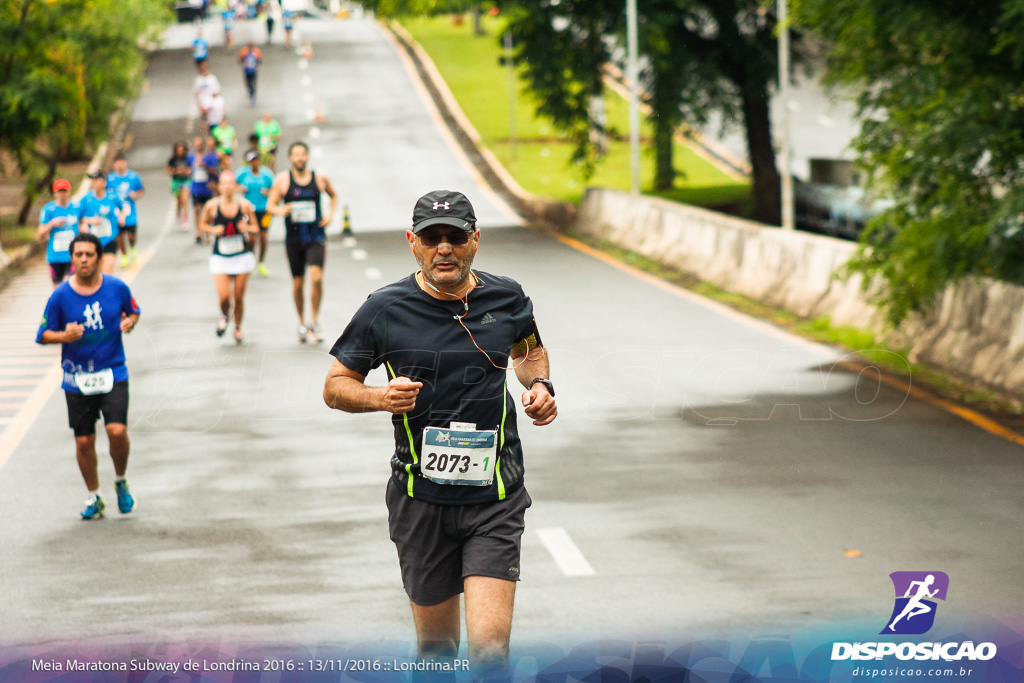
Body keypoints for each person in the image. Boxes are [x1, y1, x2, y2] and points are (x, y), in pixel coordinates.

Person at [322, 190, 557, 678]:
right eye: (432, 238)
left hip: (495, 497)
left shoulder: (507, 297)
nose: (443, 248)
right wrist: (379, 397)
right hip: (420, 499)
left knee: (490, 652)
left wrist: (539, 385)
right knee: (437, 653)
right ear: (413, 243)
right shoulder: (384, 309)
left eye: (455, 237)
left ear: (476, 241)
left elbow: (528, 351)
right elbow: (335, 387)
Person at [36, 232, 141, 520]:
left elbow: (133, 311)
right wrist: (64, 335)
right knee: (84, 442)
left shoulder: (116, 287)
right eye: (78, 254)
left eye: (89, 254)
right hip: (76, 377)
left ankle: (120, 480)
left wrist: (129, 322)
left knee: (116, 431)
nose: (83, 259)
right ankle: (94, 496)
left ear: (98, 257)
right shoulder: (60, 296)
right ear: (71, 259)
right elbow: (42, 334)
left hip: (113, 371)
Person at [266, 141, 337, 343]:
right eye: (296, 155)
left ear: (307, 157)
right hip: (294, 238)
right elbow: (270, 205)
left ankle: (314, 321)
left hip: (316, 236)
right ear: (290, 158)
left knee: (316, 277)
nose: (300, 158)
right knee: (298, 283)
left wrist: (331, 215)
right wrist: (282, 210)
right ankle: (302, 322)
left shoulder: (320, 178)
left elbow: (334, 196)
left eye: (303, 154)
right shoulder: (282, 180)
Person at [199, 171, 259, 344]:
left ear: (235, 186)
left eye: (230, 183)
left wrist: (246, 227)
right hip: (221, 257)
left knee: (239, 296)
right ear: (219, 186)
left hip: (242, 256)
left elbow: (256, 228)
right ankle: (225, 316)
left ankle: (238, 328)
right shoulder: (212, 206)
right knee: (224, 297)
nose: (227, 187)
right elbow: (202, 224)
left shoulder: (245, 205)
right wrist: (212, 230)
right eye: (224, 183)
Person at [235, 149, 275, 276]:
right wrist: (239, 188)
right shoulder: (242, 173)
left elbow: (276, 190)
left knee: (263, 237)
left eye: (256, 160)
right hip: (248, 210)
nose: (254, 163)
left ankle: (261, 262)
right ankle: (251, 260)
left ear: (259, 161)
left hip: (265, 210)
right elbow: (233, 184)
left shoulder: (267, 174)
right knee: (251, 238)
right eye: (251, 161)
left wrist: (268, 192)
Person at [37, 178, 81, 288]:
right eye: (60, 191)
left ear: (69, 191)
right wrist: (52, 223)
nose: (62, 194)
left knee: (69, 285)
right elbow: (40, 235)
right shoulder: (48, 209)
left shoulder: (76, 207)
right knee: (57, 290)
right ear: (55, 193)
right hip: (55, 256)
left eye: (65, 190)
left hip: (72, 256)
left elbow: (83, 222)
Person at [78, 170, 125, 274]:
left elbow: (123, 209)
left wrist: (122, 217)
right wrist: (88, 221)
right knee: (96, 274)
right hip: (92, 243)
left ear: (104, 182)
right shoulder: (86, 199)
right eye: (92, 181)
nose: (94, 183)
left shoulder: (112, 197)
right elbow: (77, 218)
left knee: (107, 273)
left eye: (96, 180)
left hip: (110, 239)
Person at [107, 153, 145, 267]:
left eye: (122, 162)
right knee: (119, 236)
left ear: (125, 163)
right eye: (117, 162)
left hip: (129, 211)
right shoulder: (110, 179)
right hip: (116, 212)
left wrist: (135, 195)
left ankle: (132, 247)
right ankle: (124, 255)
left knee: (130, 235)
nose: (120, 165)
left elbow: (141, 190)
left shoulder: (134, 176)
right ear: (114, 165)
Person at [188, 136, 221, 244]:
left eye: (199, 144)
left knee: (207, 212)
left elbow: (215, 171)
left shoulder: (210, 157)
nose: (198, 146)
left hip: (207, 189)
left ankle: (207, 233)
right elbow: (188, 170)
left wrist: (205, 166)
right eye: (196, 144)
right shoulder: (191, 157)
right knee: (197, 210)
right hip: (195, 188)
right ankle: (199, 232)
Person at [167, 141, 192, 230]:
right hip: (176, 181)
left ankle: (185, 220)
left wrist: (187, 171)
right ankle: (178, 211)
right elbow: (168, 170)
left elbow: (191, 168)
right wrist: (177, 171)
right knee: (179, 200)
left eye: (182, 150)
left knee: (184, 201)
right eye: (179, 150)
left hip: (185, 181)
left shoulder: (187, 158)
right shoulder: (173, 159)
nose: (180, 152)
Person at [192, 62, 221, 133]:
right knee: (204, 114)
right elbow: (195, 91)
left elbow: (218, 89)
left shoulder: (213, 78)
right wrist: (197, 102)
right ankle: (205, 124)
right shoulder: (198, 80)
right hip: (202, 101)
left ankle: (212, 127)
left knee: (212, 115)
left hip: (211, 101)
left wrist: (215, 100)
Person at [239, 42, 262, 106]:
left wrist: (257, 67)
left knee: (253, 83)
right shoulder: (244, 51)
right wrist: (243, 64)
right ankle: (249, 92)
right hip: (247, 70)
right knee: (248, 83)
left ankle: (253, 97)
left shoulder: (257, 51)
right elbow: (240, 59)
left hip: (254, 71)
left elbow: (259, 60)